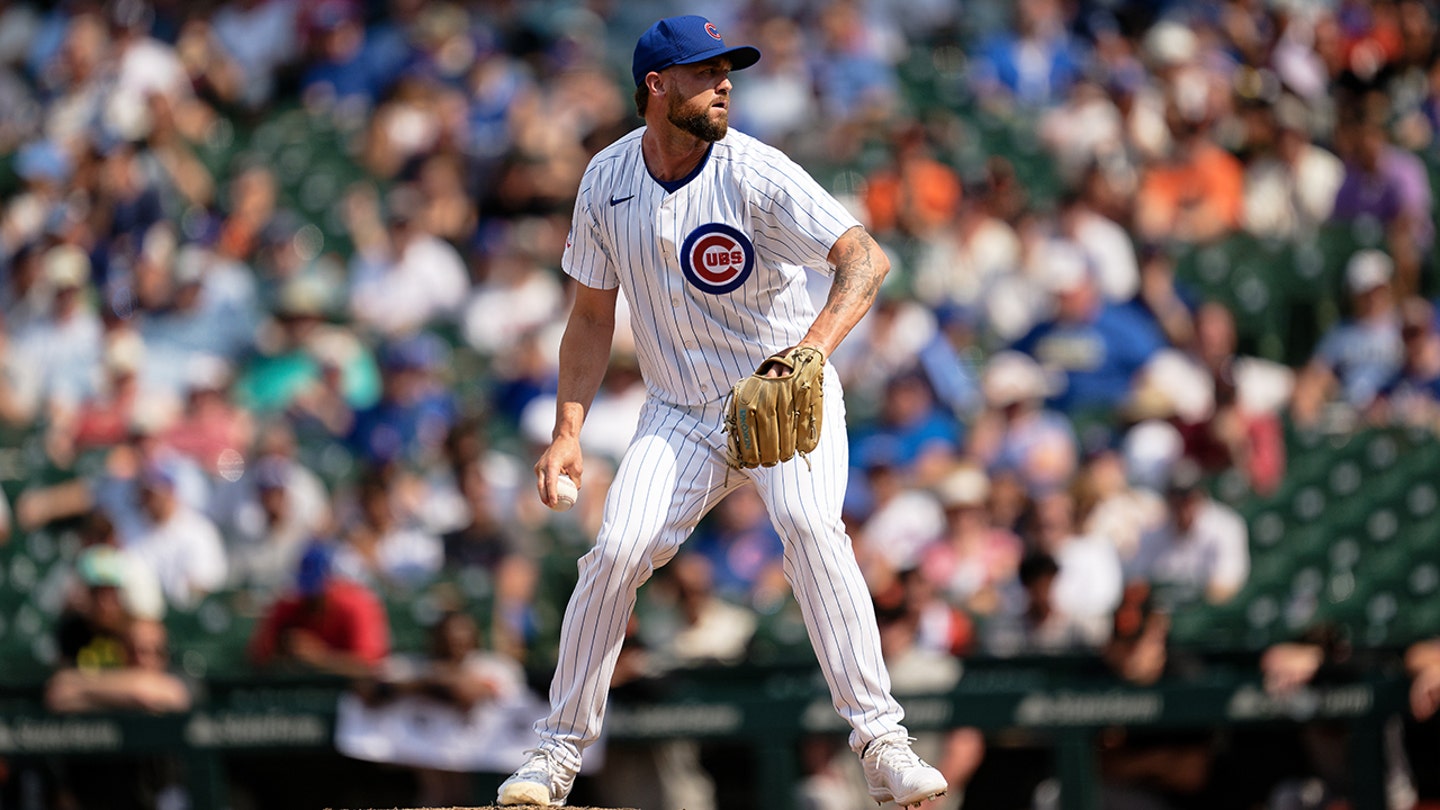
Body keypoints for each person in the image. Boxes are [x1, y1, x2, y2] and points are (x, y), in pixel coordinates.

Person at [497, 15, 947, 808]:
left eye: (726, 70)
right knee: (615, 550)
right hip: (679, 411)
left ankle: (882, 741)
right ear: (656, 86)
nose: (724, 83)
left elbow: (864, 259)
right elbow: (593, 317)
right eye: (704, 72)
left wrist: (809, 351)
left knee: (811, 528)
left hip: (780, 391)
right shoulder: (606, 180)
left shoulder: (754, 170)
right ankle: (555, 754)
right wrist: (568, 429)